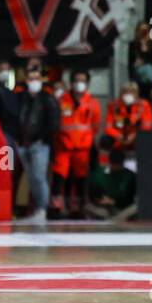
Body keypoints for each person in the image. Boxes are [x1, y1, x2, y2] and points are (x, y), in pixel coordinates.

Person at [52, 70, 102, 218]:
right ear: (71, 82)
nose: (79, 83)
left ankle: (78, 207)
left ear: (87, 83)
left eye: (82, 80)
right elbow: (56, 123)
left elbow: (95, 125)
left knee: (81, 178)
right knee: (59, 176)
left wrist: (86, 139)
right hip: (63, 145)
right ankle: (57, 206)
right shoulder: (61, 101)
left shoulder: (92, 103)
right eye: (76, 80)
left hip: (82, 147)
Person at [16, 63, 59, 223]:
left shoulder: (48, 99)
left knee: (39, 177)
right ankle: (36, 210)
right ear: (26, 80)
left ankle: (42, 209)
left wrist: (41, 137)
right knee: (32, 177)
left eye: (36, 78)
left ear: (41, 80)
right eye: (31, 78)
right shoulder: (21, 98)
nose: (34, 81)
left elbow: (54, 123)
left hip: (40, 144)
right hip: (23, 143)